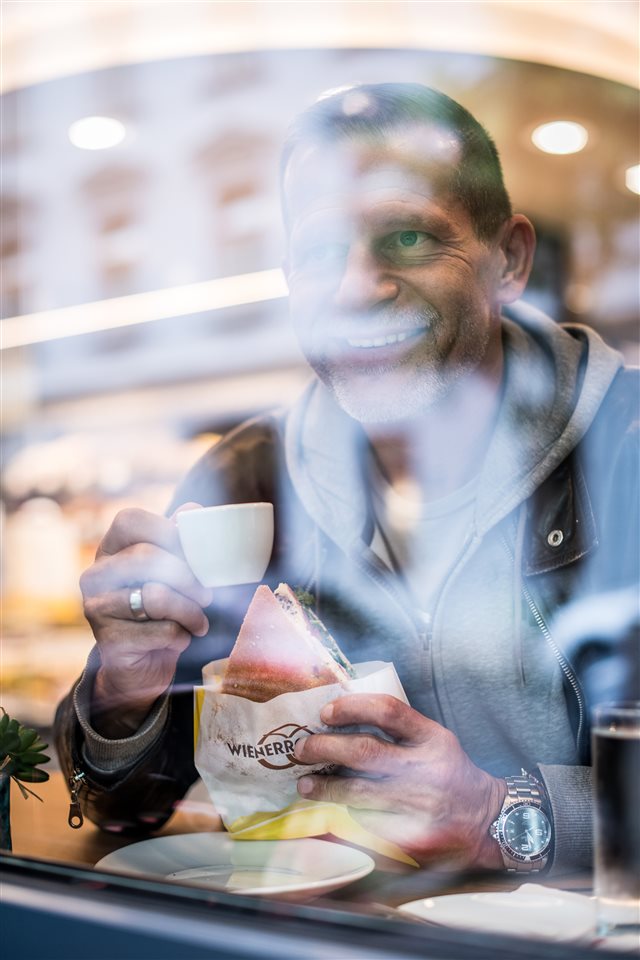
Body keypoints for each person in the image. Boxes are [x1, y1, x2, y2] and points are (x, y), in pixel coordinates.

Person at [55, 83, 638, 874]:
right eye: (324, 254)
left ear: (509, 260)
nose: (357, 290)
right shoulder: (243, 476)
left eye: (406, 238)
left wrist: (500, 815)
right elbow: (126, 809)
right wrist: (124, 699)